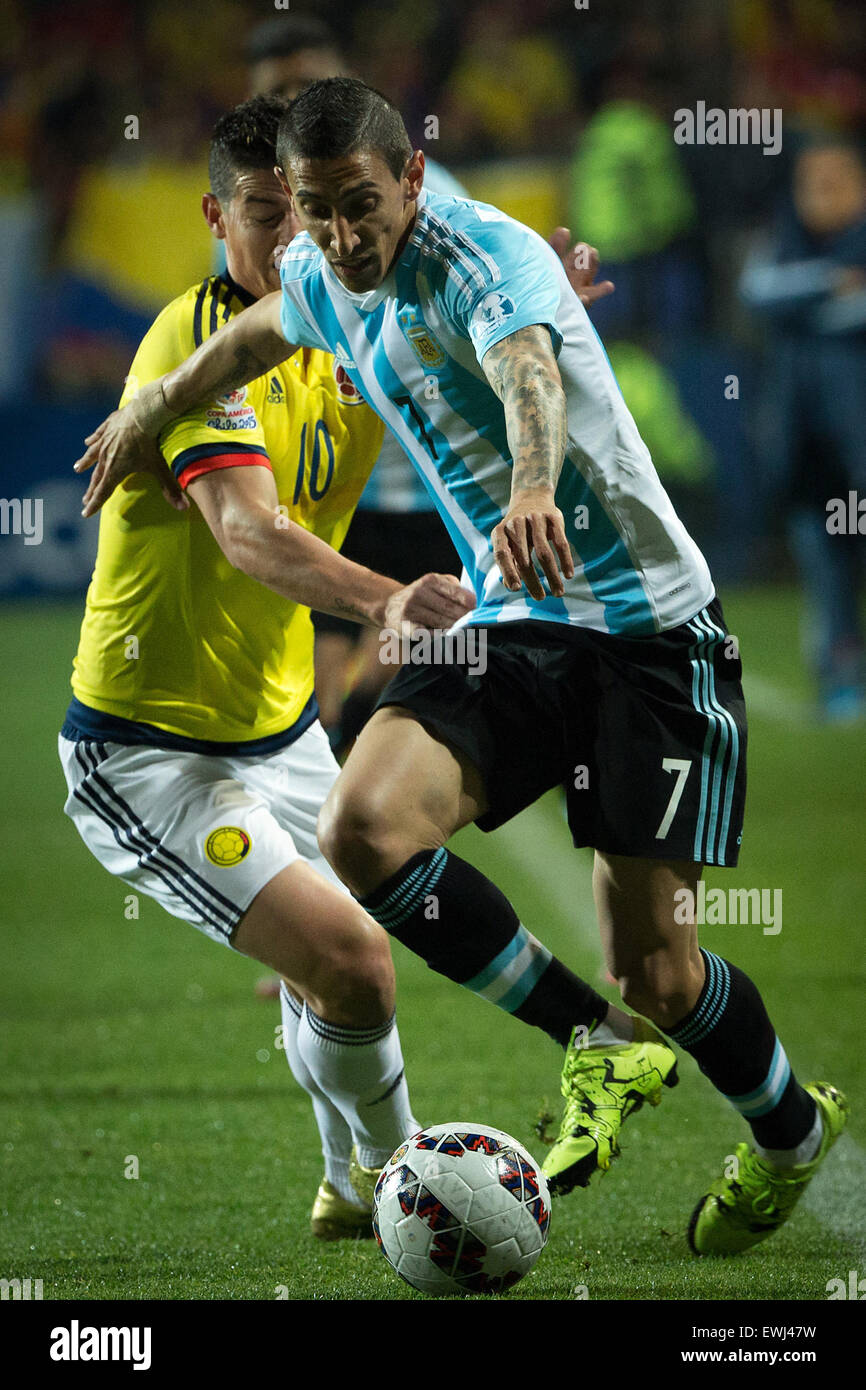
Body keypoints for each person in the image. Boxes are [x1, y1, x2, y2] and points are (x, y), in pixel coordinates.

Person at [75, 79, 848, 1257]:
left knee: (660, 971)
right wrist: (149, 408)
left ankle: (791, 1135)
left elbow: (527, 367)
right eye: (317, 212)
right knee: (362, 829)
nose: (338, 236)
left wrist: (533, 482)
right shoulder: (327, 278)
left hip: (647, 632)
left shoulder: (483, 256)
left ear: (414, 181)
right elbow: (257, 330)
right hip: (519, 620)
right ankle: (596, 1045)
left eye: (359, 206)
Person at [59, 94, 477, 1241]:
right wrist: (386, 598)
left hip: (279, 729)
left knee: (331, 974)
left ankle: (351, 1191)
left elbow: (452, 271)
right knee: (356, 960)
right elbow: (248, 534)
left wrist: (546, 308)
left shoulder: (342, 318)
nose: (293, 238)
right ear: (213, 214)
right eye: (260, 214)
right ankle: (418, 1192)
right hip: (148, 756)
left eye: (308, 213)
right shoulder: (188, 351)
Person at [243, 11, 468, 756]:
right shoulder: (254, 217)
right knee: (319, 701)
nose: (295, 101)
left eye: (309, 84)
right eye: (279, 89)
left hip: (433, 481)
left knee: (403, 674)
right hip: (330, 489)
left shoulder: (423, 192)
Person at [740, 134, 866, 722]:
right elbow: (757, 293)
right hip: (807, 444)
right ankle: (838, 677)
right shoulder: (784, 240)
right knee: (824, 562)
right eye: (809, 180)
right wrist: (830, 284)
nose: (818, 192)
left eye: (834, 179)